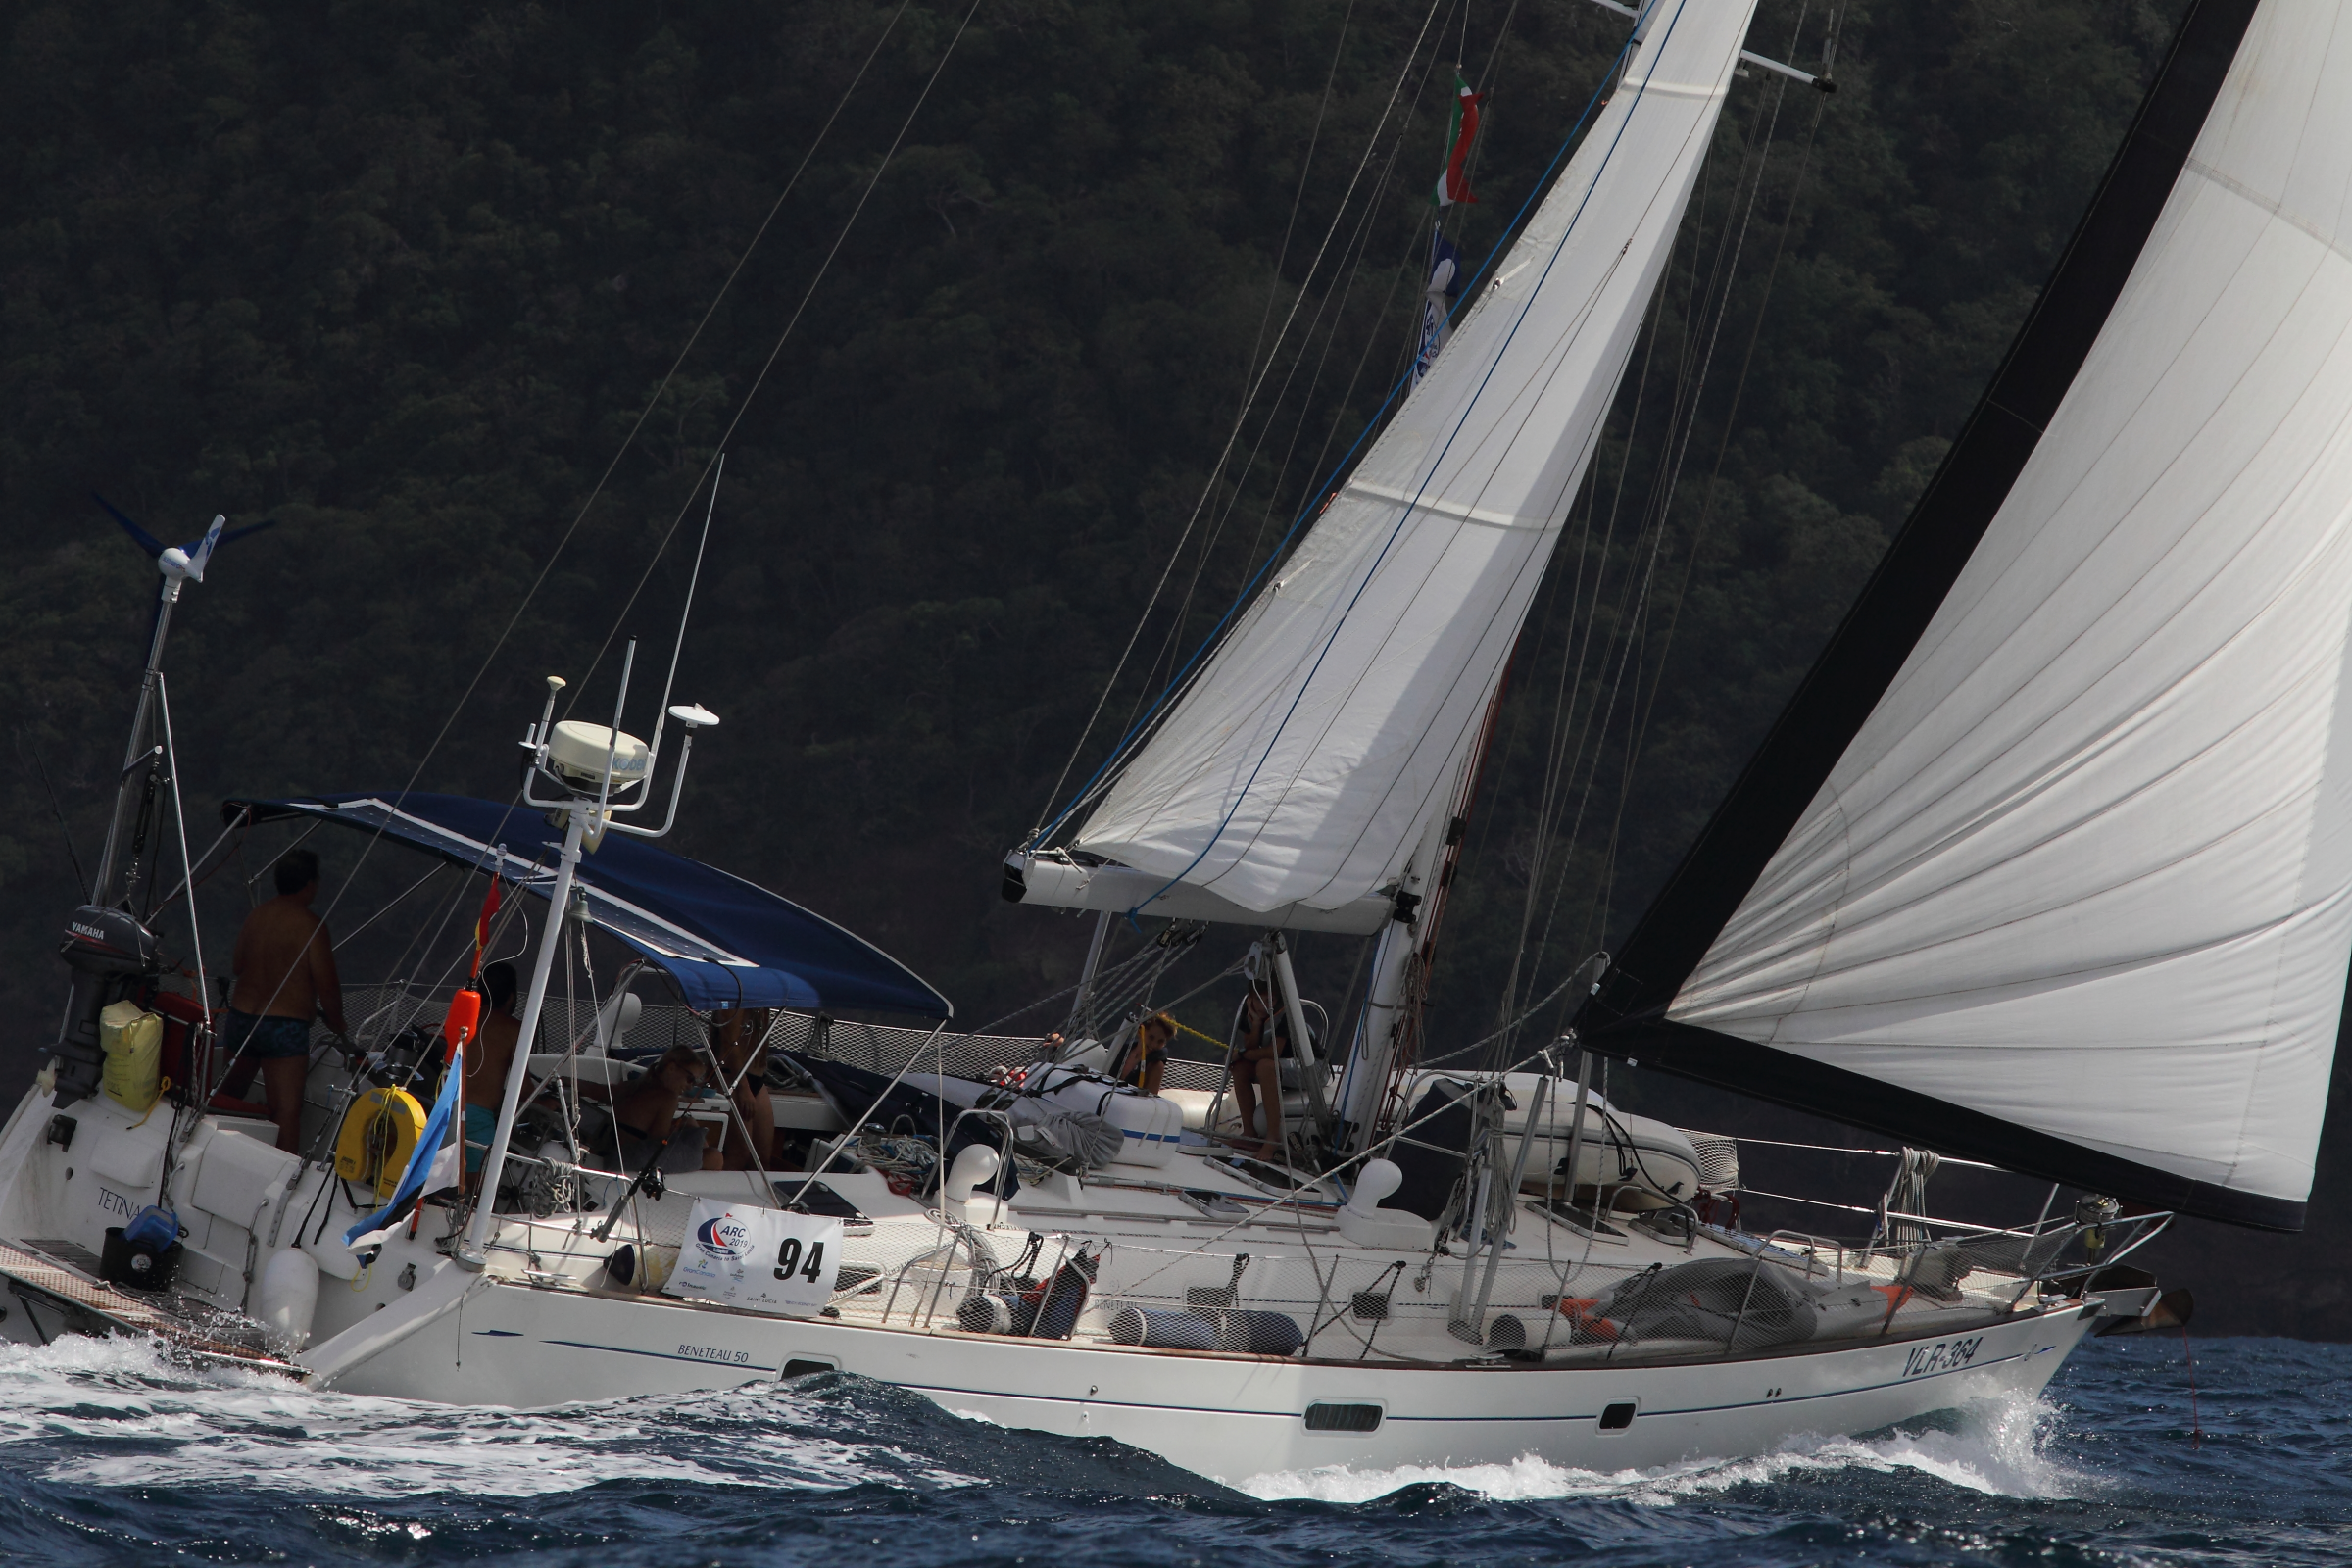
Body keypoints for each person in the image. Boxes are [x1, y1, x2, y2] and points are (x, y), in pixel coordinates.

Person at [222, 849, 346, 1152]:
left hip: (242, 1018)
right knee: (286, 1112)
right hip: (283, 1026)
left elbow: (238, 965)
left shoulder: (257, 916)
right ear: (309, 884)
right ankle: (283, 1171)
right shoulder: (311, 926)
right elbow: (327, 985)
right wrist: (337, 1021)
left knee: (227, 1096)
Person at [462, 962, 526, 1185]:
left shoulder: (465, 1017)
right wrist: (547, 1101)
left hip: (447, 1107)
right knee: (478, 1188)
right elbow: (523, 1087)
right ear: (511, 997)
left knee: (440, 1178)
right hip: (478, 1118)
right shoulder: (514, 1029)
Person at [603, 1045, 712, 1173]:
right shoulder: (668, 1097)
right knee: (714, 1157)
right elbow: (658, 1141)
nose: (690, 1087)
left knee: (688, 1122)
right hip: (631, 1160)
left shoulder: (637, 1084)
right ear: (671, 1068)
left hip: (614, 1150)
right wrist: (673, 1131)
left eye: (694, 1083)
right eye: (690, 1079)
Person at [1229, 980, 1293, 1162]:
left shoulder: (1285, 1014)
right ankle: (1250, 1133)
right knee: (1240, 1067)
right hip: (1275, 1063)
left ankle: (1272, 1138)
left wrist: (1241, 1053)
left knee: (1265, 1065)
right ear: (1251, 999)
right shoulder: (1249, 1012)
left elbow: (1273, 1052)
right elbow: (1250, 1044)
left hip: (1308, 1068)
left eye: (1270, 1000)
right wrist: (1256, 1023)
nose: (1264, 1005)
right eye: (1259, 999)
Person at [710, 1007, 775, 1170]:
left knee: (761, 1158)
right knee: (739, 1154)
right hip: (732, 1077)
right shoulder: (734, 1000)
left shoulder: (762, 1002)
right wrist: (743, 1087)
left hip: (757, 1078)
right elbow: (729, 1040)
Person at [1113, 1012, 1174, 1096]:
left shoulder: (1156, 1066)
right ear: (1140, 1032)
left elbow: (1150, 1098)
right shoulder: (1122, 1050)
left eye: (1160, 1041)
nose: (1154, 1044)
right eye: (1151, 1037)